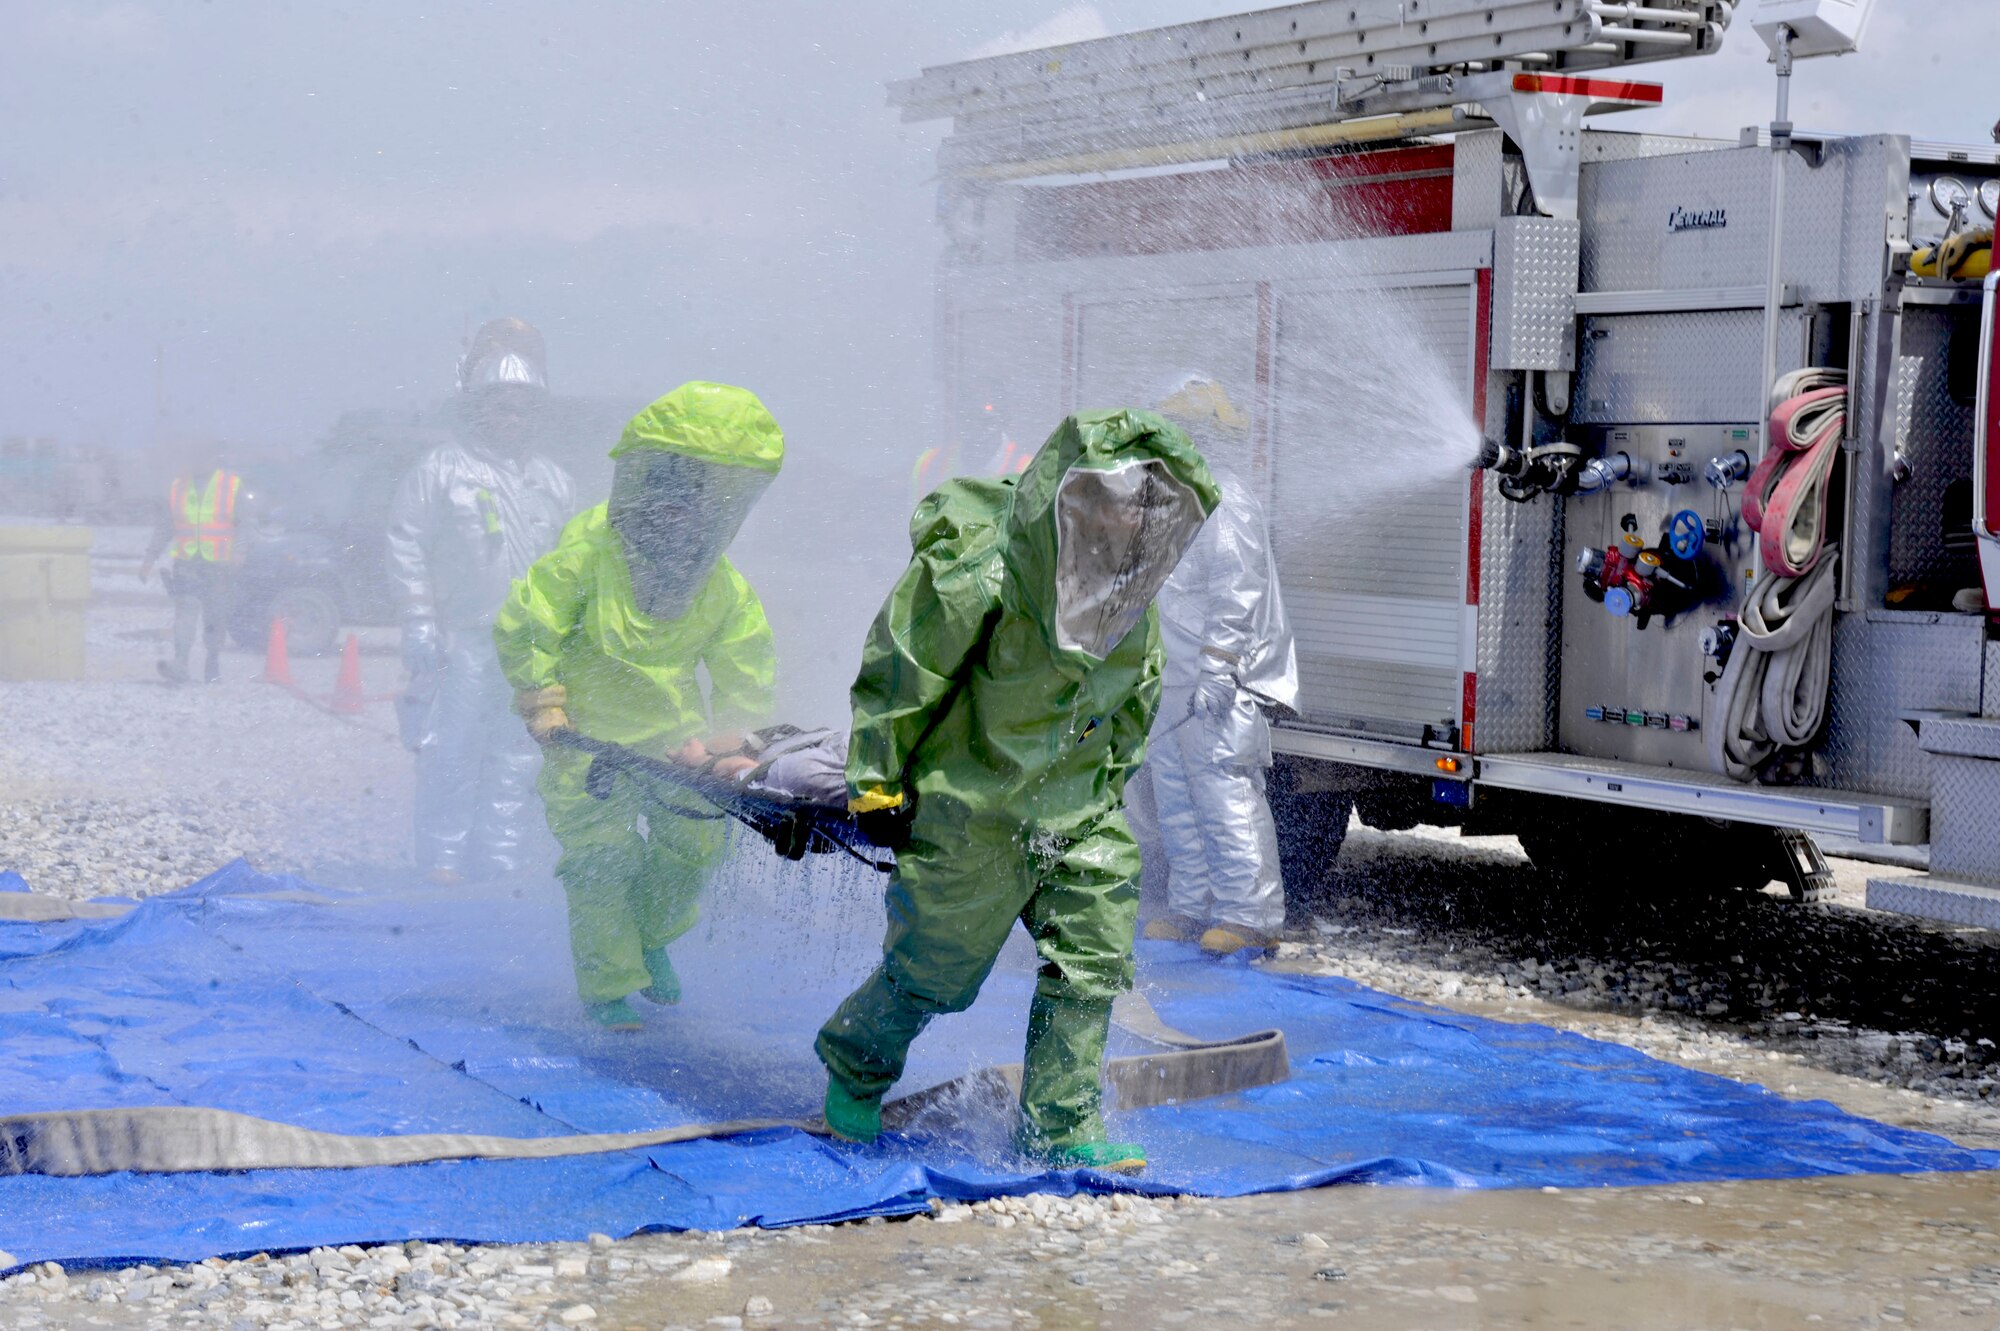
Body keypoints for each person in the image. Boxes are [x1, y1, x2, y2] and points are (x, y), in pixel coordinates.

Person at [816, 409, 1217, 1173]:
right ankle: (856, 1065)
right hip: (975, 802)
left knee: (1093, 957)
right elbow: (905, 669)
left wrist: (1110, 786)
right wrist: (876, 778)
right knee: (934, 969)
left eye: (1145, 507)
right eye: (1113, 499)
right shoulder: (984, 572)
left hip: (1078, 804)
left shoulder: (1131, 593)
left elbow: (1137, 695)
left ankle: (1059, 1128)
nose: (1127, 519)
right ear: (1073, 496)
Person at [493, 381, 783, 1031]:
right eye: (672, 492)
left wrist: (731, 738)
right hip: (583, 735)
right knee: (601, 858)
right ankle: (608, 981)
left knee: (698, 843)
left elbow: (745, 661)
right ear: (646, 485)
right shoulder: (587, 554)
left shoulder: (718, 579)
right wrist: (544, 700)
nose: (682, 512)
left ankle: (648, 937)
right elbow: (526, 621)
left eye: (700, 497)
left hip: (671, 734)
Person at [386, 317, 577, 886]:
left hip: (534, 651)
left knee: (519, 756)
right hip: (466, 640)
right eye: (500, 402)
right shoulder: (442, 469)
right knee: (451, 748)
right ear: (478, 406)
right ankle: (442, 859)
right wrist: (419, 621)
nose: (511, 415)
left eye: (522, 404)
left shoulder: (554, 481)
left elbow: (574, 567)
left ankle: (500, 862)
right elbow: (405, 542)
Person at [1139, 375, 1300, 957]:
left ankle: (1250, 917)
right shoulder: (1172, 500)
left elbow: (1237, 593)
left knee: (1224, 790)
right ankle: (1192, 905)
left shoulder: (1225, 499)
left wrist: (1218, 668)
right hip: (1172, 677)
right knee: (1177, 792)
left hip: (1219, 683)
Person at [141, 449, 252, 684]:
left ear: (214, 458)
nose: (199, 461)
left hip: (219, 564)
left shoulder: (230, 485)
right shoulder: (178, 486)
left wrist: (240, 551)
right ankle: (180, 664)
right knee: (185, 611)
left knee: (215, 616)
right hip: (187, 562)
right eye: (195, 456)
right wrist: (150, 557)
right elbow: (165, 525)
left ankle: (212, 661)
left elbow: (244, 523)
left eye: (205, 456)